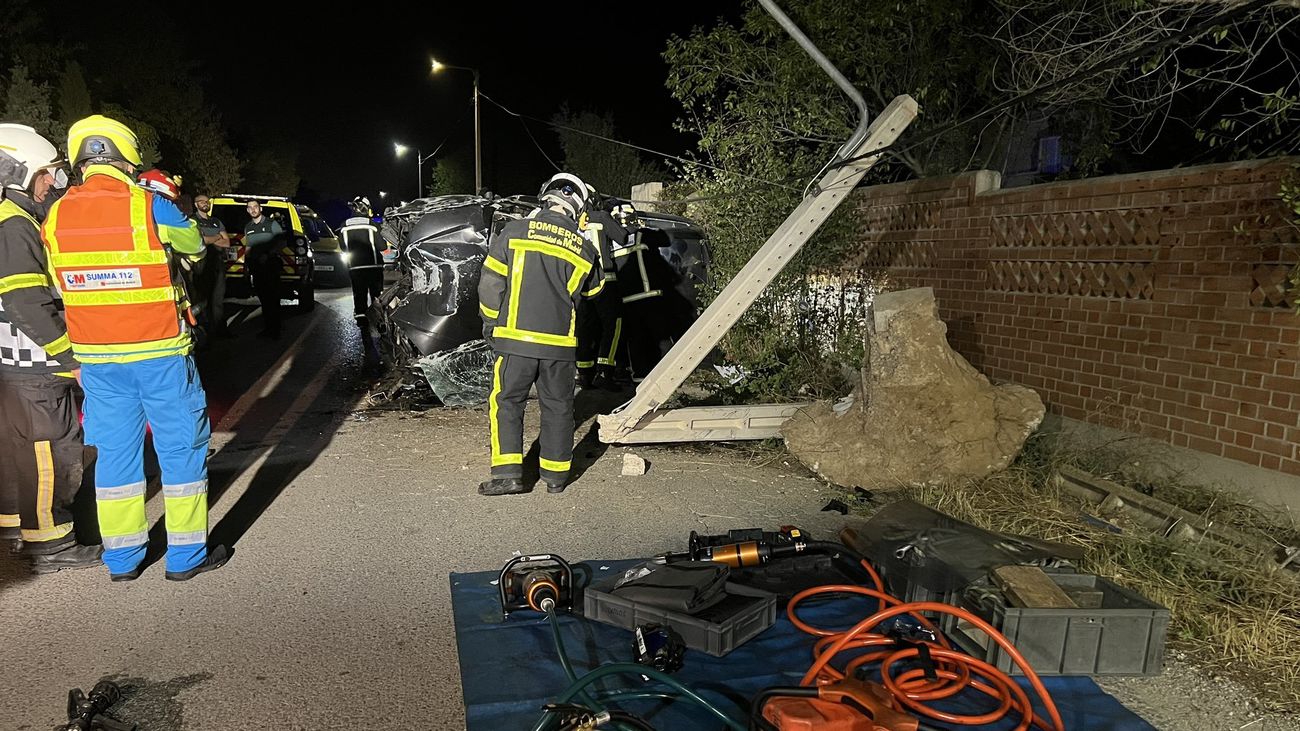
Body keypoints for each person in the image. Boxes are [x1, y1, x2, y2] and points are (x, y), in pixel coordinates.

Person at [42, 114, 228, 582]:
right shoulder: (148, 206)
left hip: (98, 360)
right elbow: (194, 247)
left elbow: (57, 280)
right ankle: (186, 557)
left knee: (116, 457)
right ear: (127, 157)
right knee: (181, 450)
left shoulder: (56, 215)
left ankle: (123, 559)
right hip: (159, 351)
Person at [0, 122, 101, 572]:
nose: (53, 183)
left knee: (15, 445)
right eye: (47, 174)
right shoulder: (15, 224)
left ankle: (12, 525)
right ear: (19, 172)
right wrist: (70, 357)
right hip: (34, 362)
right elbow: (26, 302)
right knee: (51, 447)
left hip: (12, 361)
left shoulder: (9, 219)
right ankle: (51, 540)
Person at [477, 173, 604, 496]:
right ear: (577, 208)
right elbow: (595, 292)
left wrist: (491, 324)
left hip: (514, 340)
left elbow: (491, 284)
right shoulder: (585, 249)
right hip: (560, 346)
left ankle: (508, 475)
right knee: (559, 406)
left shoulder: (514, 231)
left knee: (507, 402)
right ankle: (556, 478)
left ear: (545, 197)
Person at [575, 193, 626, 391]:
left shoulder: (575, 222)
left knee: (587, 327)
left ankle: (584, 374)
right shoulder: (602, 217)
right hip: (606, 279)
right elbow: (622, 236)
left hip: (582, 283)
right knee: (614, 325)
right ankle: (605, 372)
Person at [242, 198, 284, 339]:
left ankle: (275, 329)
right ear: (247, 210)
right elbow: (248, 248)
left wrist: (268, 254)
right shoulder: (248, 227)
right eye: (250, 207)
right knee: (264, 299)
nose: (253, 209)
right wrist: (245, 266)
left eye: (255, 207)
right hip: (256, 267)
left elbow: (281, 242)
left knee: (273, 298)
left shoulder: (272, 224)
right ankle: (268, 328)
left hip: (270, 266)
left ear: (261, 209)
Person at [192, 193, 232, 338]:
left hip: (218, 263)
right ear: (196, 204)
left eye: (207, 202)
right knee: (202, 299)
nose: (205, 204)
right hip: (201, 263)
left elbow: (227, 242)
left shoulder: (216, 221)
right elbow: (198, 241)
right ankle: (205, 332)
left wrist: (209, 239)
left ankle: (221, 330)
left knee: (218, 298)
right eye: (202, 202)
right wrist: (217, 237)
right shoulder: (192, 220)